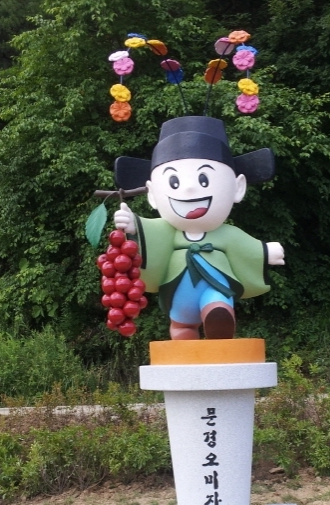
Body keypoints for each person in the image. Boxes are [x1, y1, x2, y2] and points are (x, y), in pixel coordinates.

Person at [113, 116, 285, 339]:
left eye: (204, 179)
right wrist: (132, 224)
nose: (189, 189)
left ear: (237, 188)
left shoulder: (225, 234)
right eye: (174, 182)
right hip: (178, 290)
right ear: (152, 195)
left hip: (216, 286)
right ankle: (184, 335)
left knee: (217, 302)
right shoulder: (167, 232)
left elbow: (243, 246)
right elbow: (151, 234)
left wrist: (265, 251)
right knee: (181, 324)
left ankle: (217, 315)